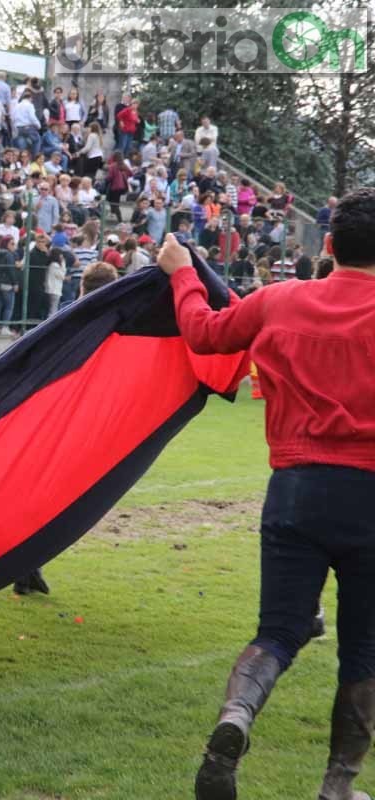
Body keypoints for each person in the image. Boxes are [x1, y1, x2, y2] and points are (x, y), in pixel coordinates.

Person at [155, 188, 375, 800]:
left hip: (296, 488)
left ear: (327, 245)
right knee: (364, 648)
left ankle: (235, 719)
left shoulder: (280, 300)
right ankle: (338, 786)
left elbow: (203, 333)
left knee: (278, 632)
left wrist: (182, 276)